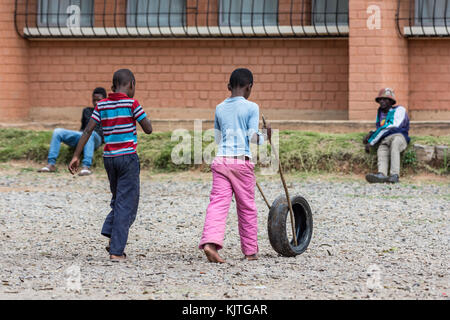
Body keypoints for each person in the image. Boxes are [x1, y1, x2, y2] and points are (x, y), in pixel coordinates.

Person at [68, 69, 153, 261]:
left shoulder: (102, 105)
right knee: (127, 203)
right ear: (131, 84)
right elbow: (148, 129)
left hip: (109, 159)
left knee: (118, 199)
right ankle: (116, 250)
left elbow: (88, 131)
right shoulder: (132, 103)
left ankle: (111, 231)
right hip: (128, 159)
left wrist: (75, 156)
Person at [198, 68, 271, 263]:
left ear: (229, 87)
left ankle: (210, 244)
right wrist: (266, 136)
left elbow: (217, 137)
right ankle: (250, 252)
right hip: (241, 163)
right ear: (249, 87)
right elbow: (253, 138)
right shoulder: (252, 107)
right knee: (247, 207)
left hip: (221, 161)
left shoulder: (219, 107)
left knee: (218, 205)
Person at [38, 87, 106, 176]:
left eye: (99, 100)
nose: (96, 102)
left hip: (96, 138)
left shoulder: (107, 112)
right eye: (94, 100)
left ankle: (86, 167)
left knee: (90, 133)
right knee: (57, 132)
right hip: (83, 136)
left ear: (105, 100)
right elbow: (83, 128)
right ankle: (51, 164)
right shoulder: (87, 111)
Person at [363, 88, 410, 184]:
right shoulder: (380, 113)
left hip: (398, 135)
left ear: (391, 101)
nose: (382, 101)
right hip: (385, 138)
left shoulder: (399, 110)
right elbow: (381, 127)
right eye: (380, 99)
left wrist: (372, 141)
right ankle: (382, 174)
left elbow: (392, 126)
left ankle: (394, 175)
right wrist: (371, 133)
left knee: (395, 145)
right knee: (382, 149)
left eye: (385, 99)